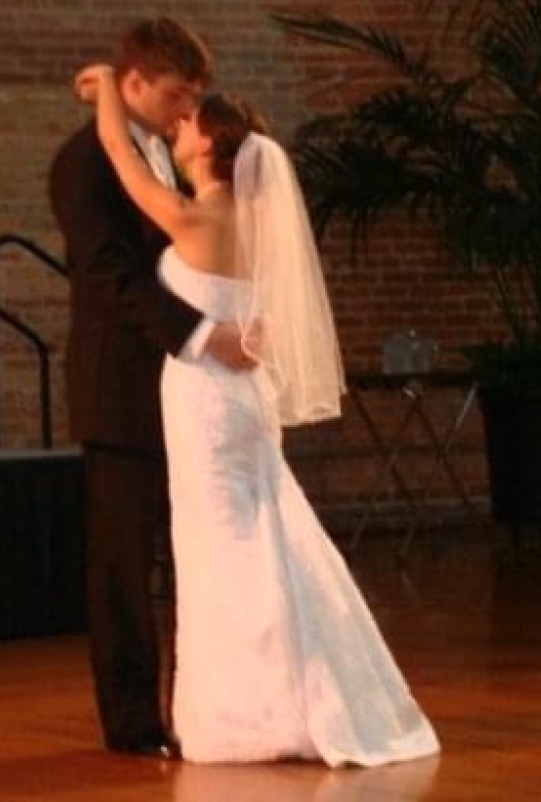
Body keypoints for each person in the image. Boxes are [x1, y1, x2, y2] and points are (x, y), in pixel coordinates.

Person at [74, 61, 441, 767]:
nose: (178, 126)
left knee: (222, 543)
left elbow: (121, 158)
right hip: (246, 401)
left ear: (212, 145)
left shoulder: (198, 218)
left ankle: (253, 709)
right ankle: (299, 688)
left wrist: (107, 92)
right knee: (264, 528)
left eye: (190, 122)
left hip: (207, 401)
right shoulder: (257, 222)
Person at [49, 18, 252, 760]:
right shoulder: (83, 163)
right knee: (124, 569)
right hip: (122, 392)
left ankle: (208, 707)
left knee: (201, 552)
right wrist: (201, 335)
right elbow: (109, 276)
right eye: (177, 94)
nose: (187, 111)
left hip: (191, 395)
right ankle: (133, 723)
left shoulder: (170, 157)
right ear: (133, 83)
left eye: (195, 96)